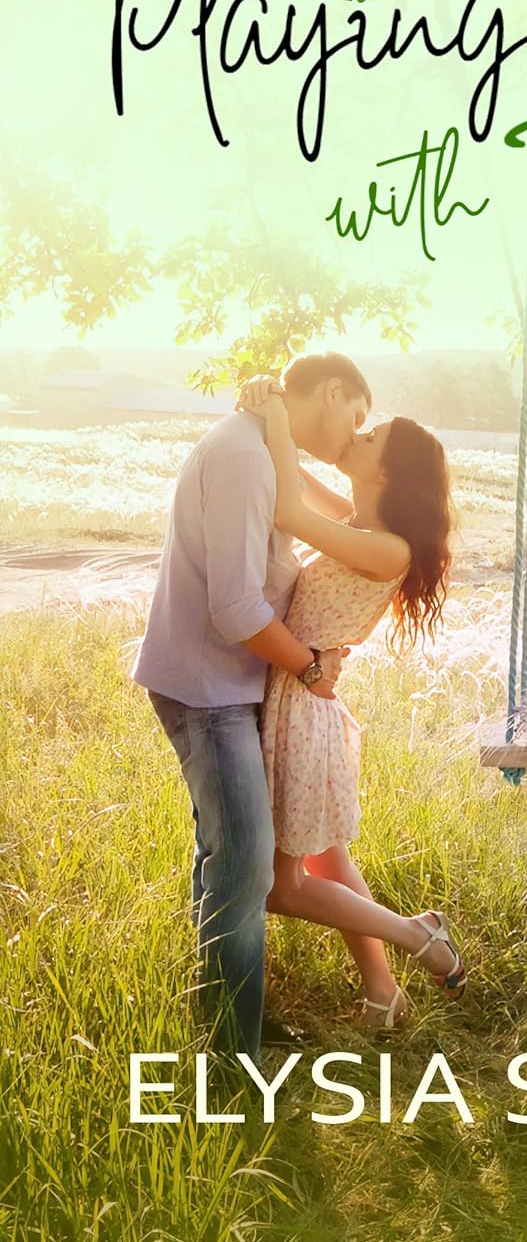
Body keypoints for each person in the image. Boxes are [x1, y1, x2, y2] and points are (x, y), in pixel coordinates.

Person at [131, 352, 371, 1063]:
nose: (355, 435)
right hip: (208, 688)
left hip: (228, 683)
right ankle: (234, 1052)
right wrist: (311, 667)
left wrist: (282, 430)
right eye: (356, 416)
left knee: (228, 857)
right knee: (244, 866)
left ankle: (228, 1017)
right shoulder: (243, 457)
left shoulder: (263, 448)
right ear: (331, 391)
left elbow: (354, 517)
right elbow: (236, 609)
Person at [238, 377, 465, 1030]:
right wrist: (270, 412)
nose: (355, 436)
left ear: (387, 470)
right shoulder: (361, 523)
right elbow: (298, 483)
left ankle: (419, 935)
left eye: (370, 436)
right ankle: (383, 994)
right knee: (328, 860)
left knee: (280, 887)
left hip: (302, 711)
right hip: (300, 699)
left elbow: (289, 510)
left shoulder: (386, 548)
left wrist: (274, 416)